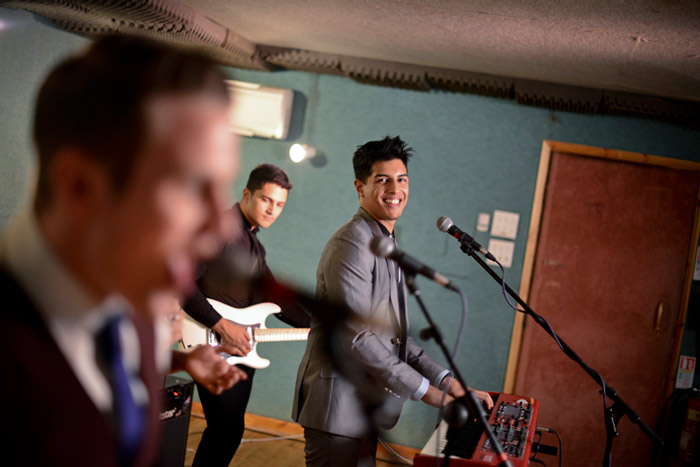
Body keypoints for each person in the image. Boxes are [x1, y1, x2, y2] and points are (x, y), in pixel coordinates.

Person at [0, 34, 248, 466]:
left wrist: (182, 361)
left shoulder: (130, 289)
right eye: (192, 186)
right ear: (79, 187)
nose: (221, 225)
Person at [292, 135, 494, 466]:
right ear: (360, 187)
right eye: (383, 180)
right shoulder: (352, 243)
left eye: (402, 179)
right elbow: (357, 338)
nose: (395, 189)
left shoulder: (384, 241)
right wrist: (429, 393)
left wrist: (449, 383)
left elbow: (399, 339)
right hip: (337, 409)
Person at [183, 163, 311, 466]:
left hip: (241, 350)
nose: (272, 210)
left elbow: (276, 300)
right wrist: (223, 325)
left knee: (228, 431)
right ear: (246, 194)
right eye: (266, 199)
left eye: (279, 204)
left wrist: (318, 325)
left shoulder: (254, 244)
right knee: (225, 431)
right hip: (214, 344)